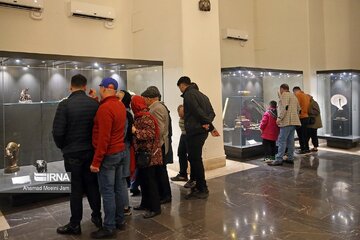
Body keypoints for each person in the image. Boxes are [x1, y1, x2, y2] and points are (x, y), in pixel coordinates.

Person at [52, 74, 102, 235]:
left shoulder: (64, 105)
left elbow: (58, 132)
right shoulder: (93, 104)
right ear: (85, 87)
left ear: (70, 87)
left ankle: (75, 224)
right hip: (90, 152)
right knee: (93, 185)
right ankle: (97, 217)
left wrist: (64, 147)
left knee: (76, 189)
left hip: (72, 153)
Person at [90, 77, 127, 239]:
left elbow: (103, 138)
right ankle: (120, 220)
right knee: (119, 189)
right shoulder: (119, 105)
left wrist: (96, 162)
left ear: (104, 88)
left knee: (108, 192)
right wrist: (97, 100)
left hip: (108, 155)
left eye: (100, 87)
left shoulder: (104, 109)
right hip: (120, 152)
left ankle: (109, 226)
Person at [177, 76, 215, 199]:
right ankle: (198, 186)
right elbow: (211, 113)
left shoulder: (189, 95)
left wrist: (205, 124)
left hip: (194, 131)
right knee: (195, 158)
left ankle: (202, 188)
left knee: (195, 160)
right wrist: (206, 124)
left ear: (182, 85)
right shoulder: (203, 95)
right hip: (201, 131)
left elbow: (197, 111)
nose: (180, 90)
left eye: (180, 88)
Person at [131, 95, 163, 218]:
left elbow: (150, 134)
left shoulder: (145, 117)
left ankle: (155, 208)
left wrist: (135, 131)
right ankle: (145, 203)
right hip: (144, 155)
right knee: (144, 181)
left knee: (151, 182)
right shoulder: (140, 116)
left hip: (149, 155)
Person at [141, 86, 172, 204]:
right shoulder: (159, 106)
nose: (144, 101)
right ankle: (164, 194)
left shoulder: (156, 108)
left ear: (149, 98)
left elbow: (159, 129)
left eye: (145, 98)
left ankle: (165, 195)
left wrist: (154, 145)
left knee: (161, 171)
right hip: (161, 144)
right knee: (161, 170)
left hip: (159, 144)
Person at [268, 84, 301, 166]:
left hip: (286, 122)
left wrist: (279, 118)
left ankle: (279, 159)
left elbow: (284, 108)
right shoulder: (293, 96)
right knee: (290, 141)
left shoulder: (284, 95)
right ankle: (290, 158)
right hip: (293, 122)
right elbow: (299, 109)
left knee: (281, 141)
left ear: (282, 89)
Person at [117, 90, 134, 216]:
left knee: (122, 178)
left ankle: (124, 206)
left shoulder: (125, 113)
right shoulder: (125, 112)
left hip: (123, 148)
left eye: (118, 97)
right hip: (124, 147)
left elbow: (124, 135)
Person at [170, 104, 194, 185]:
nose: (180, 114)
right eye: (179, 112)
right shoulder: (181, 118)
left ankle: (193, 177)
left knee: (191, 156)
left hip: (189, 136)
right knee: (180, 153)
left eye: (181, 112)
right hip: (183, 136)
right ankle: (183, 174)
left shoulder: (189, 119)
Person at [293, 86, 311, 154]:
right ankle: (306, 148)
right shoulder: (306, 96)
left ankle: (302, 149)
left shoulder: (297, 95)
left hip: (300, 117)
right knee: (305, 134)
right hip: (306, 117)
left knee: (300, 134)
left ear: (295, 91)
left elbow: (296, 107)